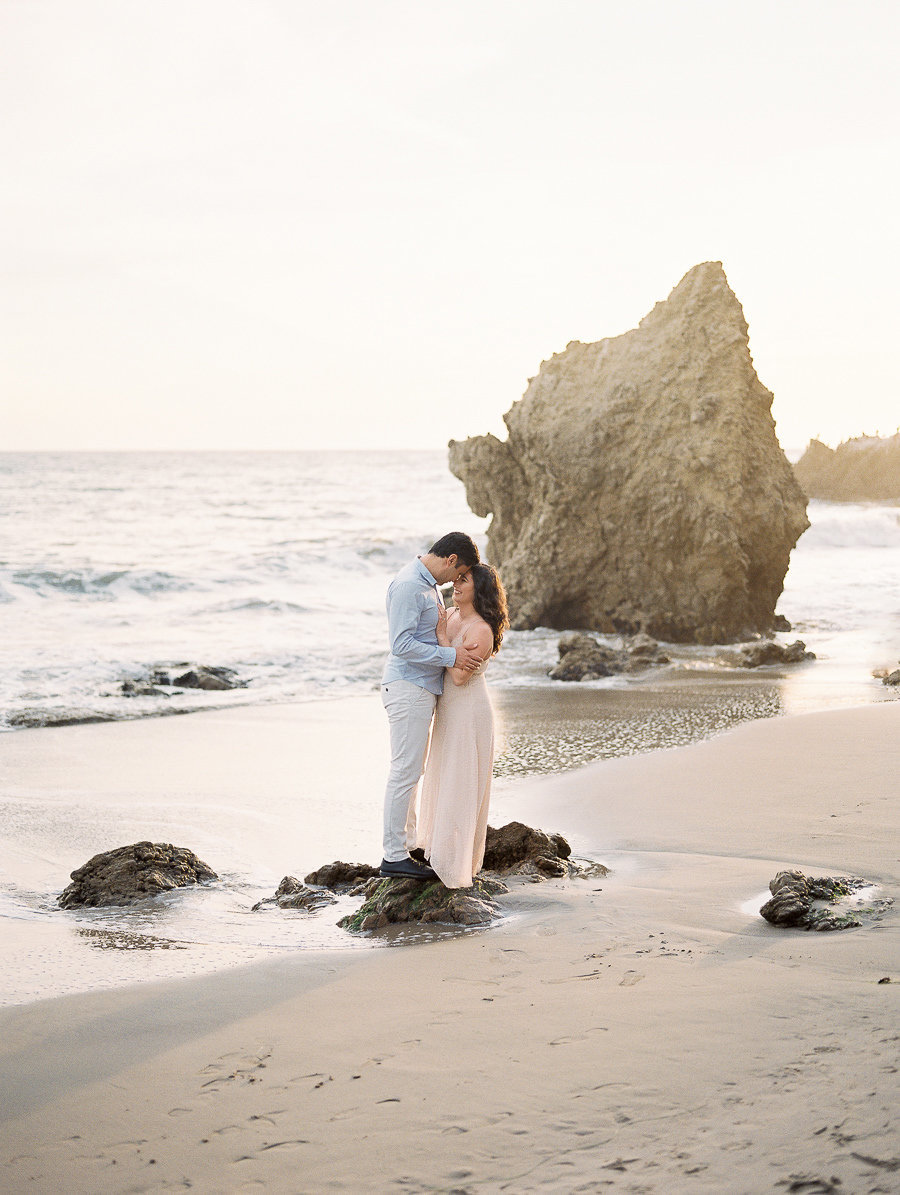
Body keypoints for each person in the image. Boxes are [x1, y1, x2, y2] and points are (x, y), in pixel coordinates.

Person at [379, 532, 483, 880]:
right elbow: (402, 644)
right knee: (404, 771)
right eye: (460, 572)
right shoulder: (411, 586)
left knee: (412, 772)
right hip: (407, 686)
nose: (457, 580)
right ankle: (393, 855)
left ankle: (406, 848)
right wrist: (451, 654)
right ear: (451, 559)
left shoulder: (427, 586)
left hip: (418, 688)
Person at [414, 562, 509, 888]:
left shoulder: (480, 630)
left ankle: (455, 867)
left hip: (469, 712)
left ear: (478, 589)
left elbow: (457, 674)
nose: (455, 584)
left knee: (461, 783)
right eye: (456, 578)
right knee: (443, 776)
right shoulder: (453, 615)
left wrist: (441, 637)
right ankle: (435, 853)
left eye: (463, 580)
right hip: (449, 710)